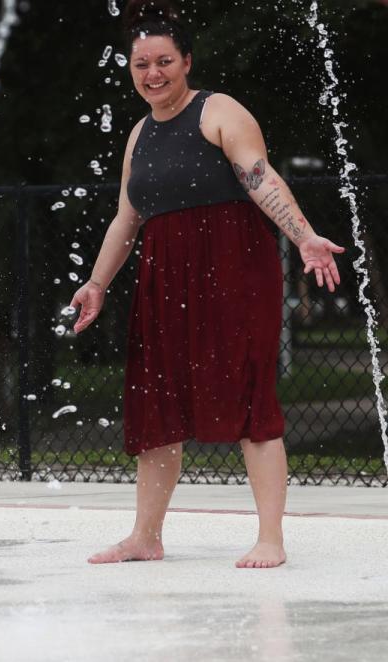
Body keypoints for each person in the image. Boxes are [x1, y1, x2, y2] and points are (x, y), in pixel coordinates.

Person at [69, 0, 345, 569]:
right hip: (164, 279)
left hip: (235, 270)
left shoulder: (218, 111)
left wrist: (304, 236)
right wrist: (97, 283)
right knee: (156, 406)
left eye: (164, 61)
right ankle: (146, 536)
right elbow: (127, 216)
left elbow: (259, 177)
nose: (153, 74)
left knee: (251, 400)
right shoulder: (138, 134)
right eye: (141, 63)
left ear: (186, 60)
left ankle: (270, 537)